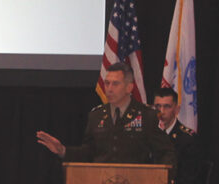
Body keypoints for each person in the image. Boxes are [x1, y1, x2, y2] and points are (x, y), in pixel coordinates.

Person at [36, 62, 176, 169]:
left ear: (129, 87)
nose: (109, 89)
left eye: (115, 84)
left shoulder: (147, 116)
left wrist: (159, 181)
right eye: (107, 83)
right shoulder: (96, 116)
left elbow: (166, 153)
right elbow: (89, 153)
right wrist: (63, 151)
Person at [153, 88, 206, 184]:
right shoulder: (149, 135)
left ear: (176, 110)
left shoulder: (187, 139)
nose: (162, 112)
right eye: (158, 106)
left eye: (167, 106)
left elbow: (187, 181)